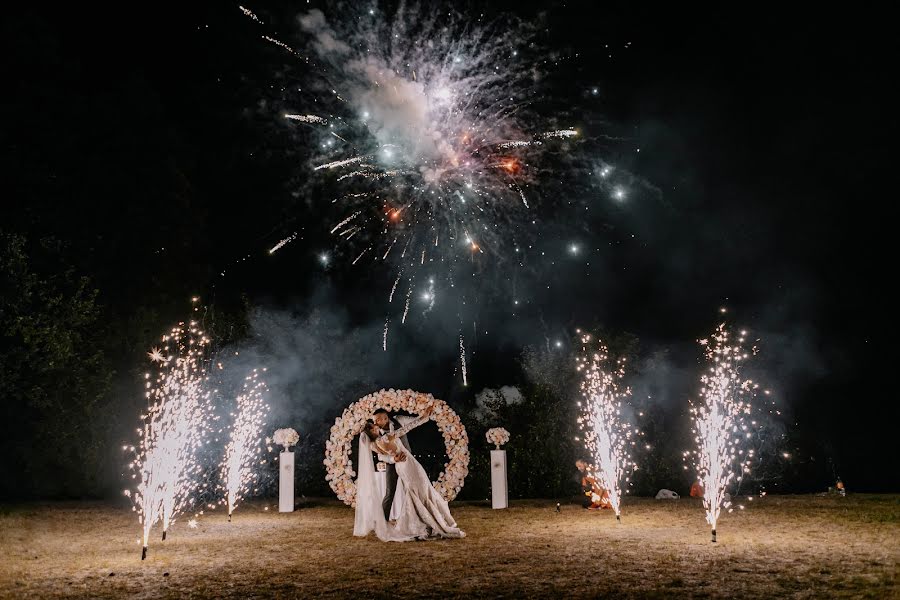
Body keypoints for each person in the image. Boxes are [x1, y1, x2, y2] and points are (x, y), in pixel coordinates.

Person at [353, 407, 465, 541]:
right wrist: (393, 459)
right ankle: (391, 522)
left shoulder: (383, 435)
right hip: (404, 464)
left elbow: (410, 423)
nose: (376, 423)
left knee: (415, 492)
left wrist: (422, 417)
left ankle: (420, 522)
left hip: (404, 464)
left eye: (377, 420)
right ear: (371, 431)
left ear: (385, 417)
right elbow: (404, 432)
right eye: (373, 423)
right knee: (399, 491)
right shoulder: (382, 439)